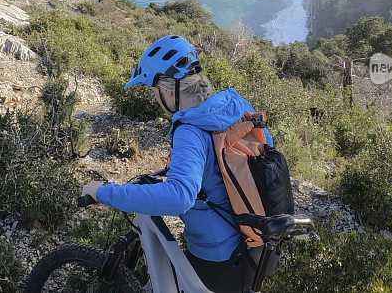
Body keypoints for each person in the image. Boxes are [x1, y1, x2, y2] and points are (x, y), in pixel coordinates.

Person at [81, 34, 276, 292]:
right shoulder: (234, 107)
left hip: (218, 261)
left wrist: (104, 193)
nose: (154, 100)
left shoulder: (191, 129)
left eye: (153, 92)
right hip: (259, 245)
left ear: (167, 88)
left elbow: (179, 197)